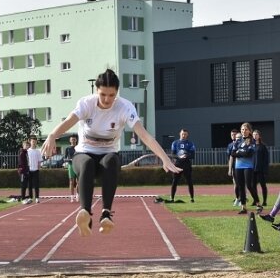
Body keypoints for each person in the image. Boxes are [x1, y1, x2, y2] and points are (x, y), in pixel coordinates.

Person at [41, 69, 181, 236]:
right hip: (84, 154)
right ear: (96, 90)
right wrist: (52, 135)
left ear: (117, 93)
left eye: (111, 95)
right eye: (103, 95)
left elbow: (144, 135)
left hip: (107, 155)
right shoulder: (86, 103)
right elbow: (69, 121)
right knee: (87, 163)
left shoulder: (125, 107)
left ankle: (106, 214)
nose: (107, 99)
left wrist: (164, 158)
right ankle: (85, 213)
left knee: (112, 161)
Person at [231, 122, 261, 214]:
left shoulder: (252, 140)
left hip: (248, 166)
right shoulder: (237, 141)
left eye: (246, 129)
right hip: (238, 166)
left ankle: (258, 204)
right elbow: (232, 153)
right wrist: (241, 152)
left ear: (249, 131)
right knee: (240, 187)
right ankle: (243, 207)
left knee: (249, 185)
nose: (244, 131)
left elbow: (249, 153)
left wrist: (239, 153)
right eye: (242, 129)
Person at [169, 129, 196, 202]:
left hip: (187, 164)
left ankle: (192, 198)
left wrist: (186, 155)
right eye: (182, 134)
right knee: (175, 181)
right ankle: (172, 198)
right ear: (180, 134)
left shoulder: (190, 143)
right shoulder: (175, 143)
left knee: (189, 181)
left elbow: (193, 155)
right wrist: (179, 156)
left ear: (187, 135)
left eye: (185, 134)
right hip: (178, 164)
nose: (184, 136)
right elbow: (172, 154)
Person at [252, 129, 269, 210]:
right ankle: (255, 200)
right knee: (253, 186)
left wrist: (265, 170)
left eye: (256, 134)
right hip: (252, 169)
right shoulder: (251, 145)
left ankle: (264, 201)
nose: (255, 136)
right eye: (254, 134)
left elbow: (266, 159)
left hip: (260, 169)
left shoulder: (263, 146)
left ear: (259, 136)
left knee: (263, 186)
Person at [22, 136, 42, 204]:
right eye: (32, 141)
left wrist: (39, 168)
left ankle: (37, 198)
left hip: (36, 170)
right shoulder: (27, 151)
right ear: (30, 142)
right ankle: (30, 197)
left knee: (36, 185)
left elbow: (39, 161)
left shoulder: (38, 151)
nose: (34, 143)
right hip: (29, 170)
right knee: (29, 185)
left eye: (35, 142)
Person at [227, 129, 241, 206]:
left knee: (242, 184)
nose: (234, 136)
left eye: (235, 135)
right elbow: (230, 158)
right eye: (232, 135)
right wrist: (230, 169)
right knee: (235, 184)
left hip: (241, 166)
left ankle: (242, 199)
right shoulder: (230, 145)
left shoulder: (243, 144)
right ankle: (237, 198)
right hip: (234, 167)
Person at [64, 135, 79, 202]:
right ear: (70, 141)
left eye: (74, 139)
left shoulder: (79, 148)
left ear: (76, 140)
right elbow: (64, 158)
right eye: (72, 139)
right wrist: (69, 160)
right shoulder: (67, 148)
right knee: (71, 182)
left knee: (78, 181)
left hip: (78, 166)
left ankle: (77, 195)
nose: (73, 141)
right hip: (71, 166)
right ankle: (72, 196)